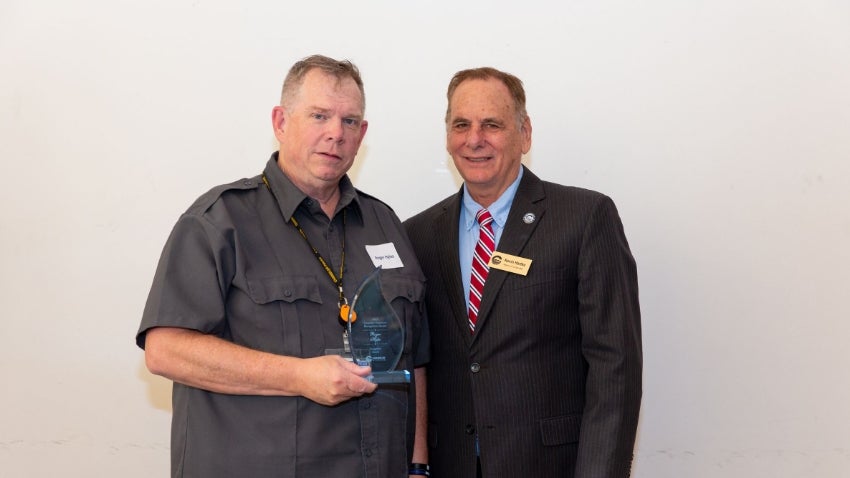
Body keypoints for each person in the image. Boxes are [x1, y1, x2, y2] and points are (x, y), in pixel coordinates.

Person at [137, 54, 429, 478]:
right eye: (319, 115)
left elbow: (415, 359)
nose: (335, 134)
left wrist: (418, 466)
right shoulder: (219, 222)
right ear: (280, 122)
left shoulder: (386, 224)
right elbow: (165, 350)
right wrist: (298, 376)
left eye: (350, 122)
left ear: (363, 133)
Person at [403, 67, 642, 478]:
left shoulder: (584, 219)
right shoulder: (417, 234)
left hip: (552, 465)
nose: (474, 139)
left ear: (525, 133)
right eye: (461, 124)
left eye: (491, 124)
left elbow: (615, 367)